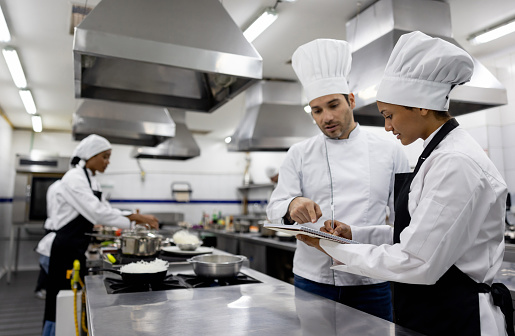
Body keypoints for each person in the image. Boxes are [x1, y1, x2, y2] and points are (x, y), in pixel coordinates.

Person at [298, 31, 515, 336]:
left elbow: (417, 261)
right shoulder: (438, 154)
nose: (387, 127)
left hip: (459, 317)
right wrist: (355, 235)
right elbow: (421, 235)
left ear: (422, 106)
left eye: (389, 115)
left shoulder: (456, 163)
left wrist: (334, 247)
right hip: (435, 310)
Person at [266, 38, 410, 321]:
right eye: (316, 110)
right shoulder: (299, 153)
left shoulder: (391, 149)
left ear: (351, 100)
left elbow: (402, 220)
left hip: (370, 279)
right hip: (312, 278)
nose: (326, 117)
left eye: (333, 105)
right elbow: (274, 208)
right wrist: (292, 203)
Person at [42, 134, 159, 336]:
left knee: (73, 299)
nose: (108, 162)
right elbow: (96, 212)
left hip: (78, 245)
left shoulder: (92, 180)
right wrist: (136, 218)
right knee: (60, 302)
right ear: (90, 155)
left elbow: (105, 209)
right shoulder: (74, 178)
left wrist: (133, 217)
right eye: (105, 156)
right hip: (65, 247)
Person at [34, 180, 62, 300]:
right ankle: (41, 288)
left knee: (48, 259)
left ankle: (43, 287)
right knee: (49, 260)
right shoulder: (63, 187)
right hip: (55, 227)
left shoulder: (54, 186)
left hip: (52, 225)